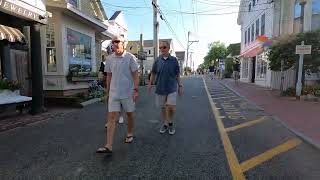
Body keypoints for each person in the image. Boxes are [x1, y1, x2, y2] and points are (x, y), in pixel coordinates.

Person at [96, 35, 139, 155]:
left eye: (117, 41)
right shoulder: (109, 59)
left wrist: (136, 90)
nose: (114, 43)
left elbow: (135, 74)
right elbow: (109, 76)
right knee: (111, 118)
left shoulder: (131, 58)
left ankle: (130, 133)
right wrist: (108, 92)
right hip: (114, 93)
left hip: (128, 92)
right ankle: (108, 145)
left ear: (123, 43)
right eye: (113, 42)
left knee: (130, 114)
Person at [147, 41, 183, 135]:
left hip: (171, 87)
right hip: (160, 87)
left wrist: (180, 85)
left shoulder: (174, 60)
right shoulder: (157, 60)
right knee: (163, 107)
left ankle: (170, 122)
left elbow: (177, 74)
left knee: (171, 107)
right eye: (160, 48)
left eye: (164, 47)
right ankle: (166, 123)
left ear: (168, 48)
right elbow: (153, 73)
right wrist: (150, 84)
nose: (162, 49)